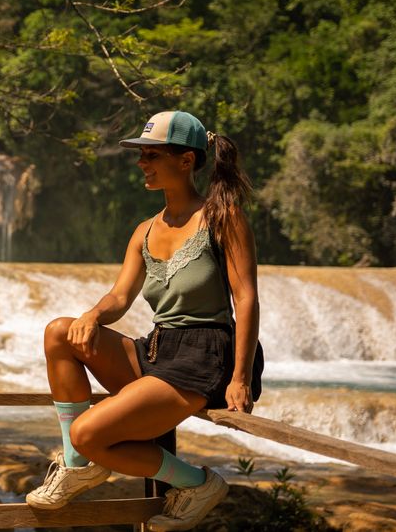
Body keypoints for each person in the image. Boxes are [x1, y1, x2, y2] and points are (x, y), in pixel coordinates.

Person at [25, 111, 263, 531]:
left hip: (206, 357)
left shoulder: (223, 218)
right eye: (141, 156)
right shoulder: (144, 230)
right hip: (158, 349)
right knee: (59, 332)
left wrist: (240, 378)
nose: (142, 164)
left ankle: (198, 483)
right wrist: (94, 315)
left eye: (151, 155)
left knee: (88, 433)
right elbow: (120, 297)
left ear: (186, 161)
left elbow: (245, 300)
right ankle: (79, 467)